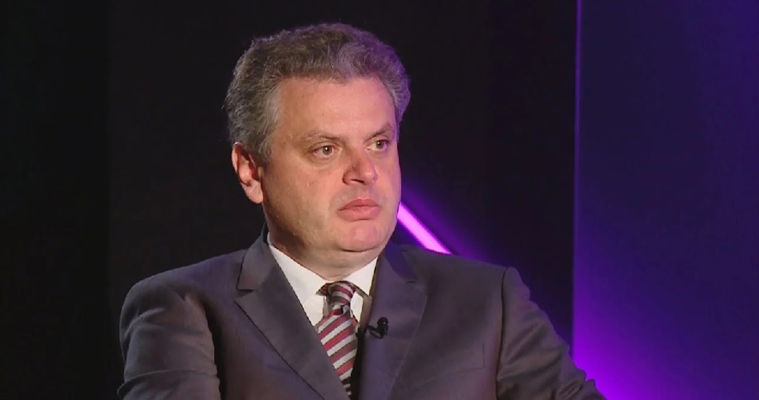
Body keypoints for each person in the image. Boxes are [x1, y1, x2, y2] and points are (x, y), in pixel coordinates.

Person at [118, 22, 604, 400]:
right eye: (326, 149)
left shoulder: (488, 302)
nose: (365, 172)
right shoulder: (185, 309)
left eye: (378, 143)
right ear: (251, 170)